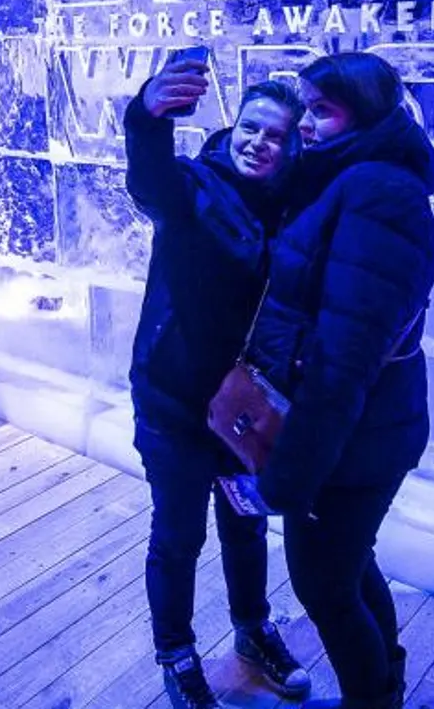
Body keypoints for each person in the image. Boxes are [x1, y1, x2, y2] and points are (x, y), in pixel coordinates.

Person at [248, 52, 434, 709]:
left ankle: (372, 698)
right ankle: (383, 688)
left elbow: (346, 357)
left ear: (364, 116)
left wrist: (293, 468)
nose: (304, 122)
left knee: (323, 583)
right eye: (304, 106)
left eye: (320, 110)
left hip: (351, 440)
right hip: (358, 433)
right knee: (349, 564)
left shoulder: (379, 195)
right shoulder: (352, 176)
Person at [125, 58, 313, 709]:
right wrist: (145, 115)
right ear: (234, 128)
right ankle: (177, 654)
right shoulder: (194, 188)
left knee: (245, 526)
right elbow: (149, 182)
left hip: (244, 411)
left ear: (291, 146)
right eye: (252, 128)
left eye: (276, 135)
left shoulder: (293, 208)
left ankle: (253, 630)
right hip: (174, 404)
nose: (260, 142)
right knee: (178, 534)